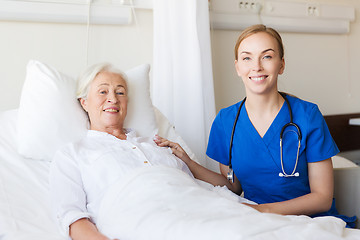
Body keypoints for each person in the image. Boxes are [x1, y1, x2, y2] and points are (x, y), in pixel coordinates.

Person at [156, 24, 356, 227]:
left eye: (267, 56)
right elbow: (233, 186)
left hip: (312, 224)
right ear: (237, 67)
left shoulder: (308, 116)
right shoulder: (226, 122)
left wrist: (264, 210)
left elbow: (322, 197)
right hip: (258, 223)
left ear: (281, 64)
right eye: (247, 58)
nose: (257, 66)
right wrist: (188, 162)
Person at [49, 63, 193, 240]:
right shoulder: (72, 154)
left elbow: (195, 188)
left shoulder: (157, 144)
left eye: (120, 92)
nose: (113, 99)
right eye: (103, 92)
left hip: (194, 214)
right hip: (142, 227)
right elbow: (72, 218)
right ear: (84, 102)